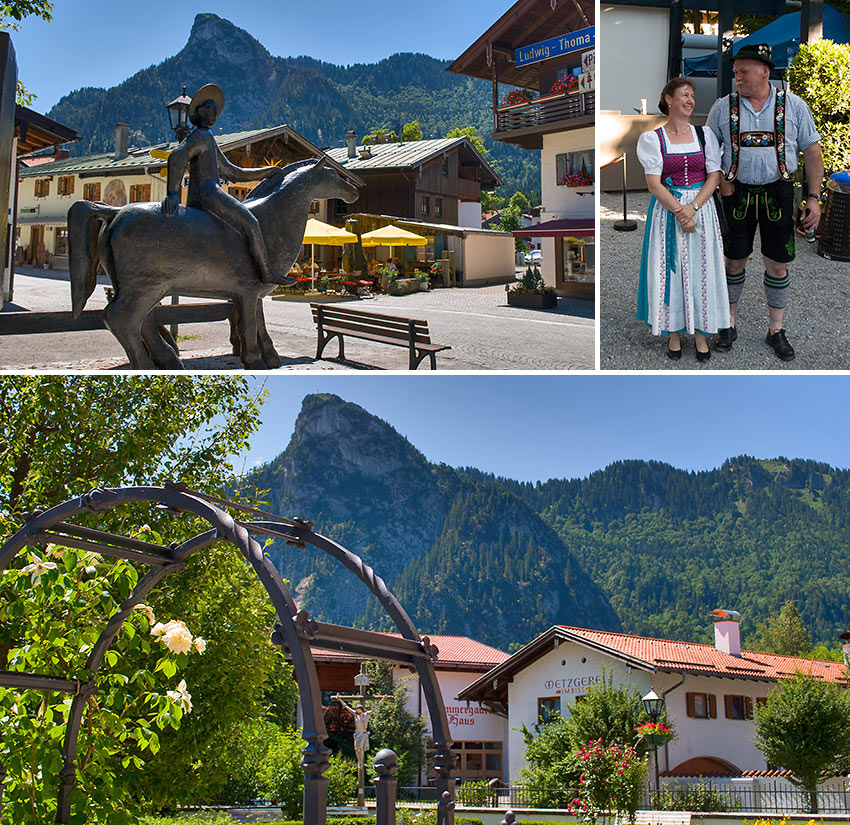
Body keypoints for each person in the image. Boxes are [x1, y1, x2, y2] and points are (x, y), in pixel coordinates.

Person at [706, 43, 824, 361]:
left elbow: (812, 152)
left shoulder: (794, 106)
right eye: (735, 72)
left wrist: (814, 198)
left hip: (779, 192)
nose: (737, 78)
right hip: (737, 193)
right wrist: (723, 182)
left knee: (777, 262)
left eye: (743, 71)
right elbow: (707, 150)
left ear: (764, 71)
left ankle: (776, 329)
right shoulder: (723, 106)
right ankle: (727, 324)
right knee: (734, 260)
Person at [161, 83, 295, 285]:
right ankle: (266, 272)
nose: (215, 117)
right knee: (250, 222)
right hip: (209, 195)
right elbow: (177, 156)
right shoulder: (201, 136)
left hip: (206, 194)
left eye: (216, 114)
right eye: (212, 112)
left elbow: (233, 172)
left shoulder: (206, 137)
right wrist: (172, 194)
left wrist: (267, 171)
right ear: (201, 111)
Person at [636, 77, 730, 361]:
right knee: (671, 270)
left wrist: (694, 208)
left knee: (704, 270)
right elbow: (654, 184)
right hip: (668, 211)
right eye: (684, 95)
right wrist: (680, 210)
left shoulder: (704, 136)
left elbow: (714, 175)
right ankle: (673, 332)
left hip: (702, 209)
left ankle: (702, 332)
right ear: (668, 99)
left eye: (692, 96)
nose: (690, 100)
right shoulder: (653, 139)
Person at [336, 696, 388, 763]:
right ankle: (359, 761)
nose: (357, 710)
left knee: (361, 748)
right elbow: (346, 707)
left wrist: (383, 699)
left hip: (363, 733)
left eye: (358, 709)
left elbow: (376, 707)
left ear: (361, 709)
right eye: (357, 709)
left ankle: (361, 761)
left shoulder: (366, 714)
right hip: (357, 733)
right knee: (356, 749)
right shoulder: (355, 715)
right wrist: (340, 700)